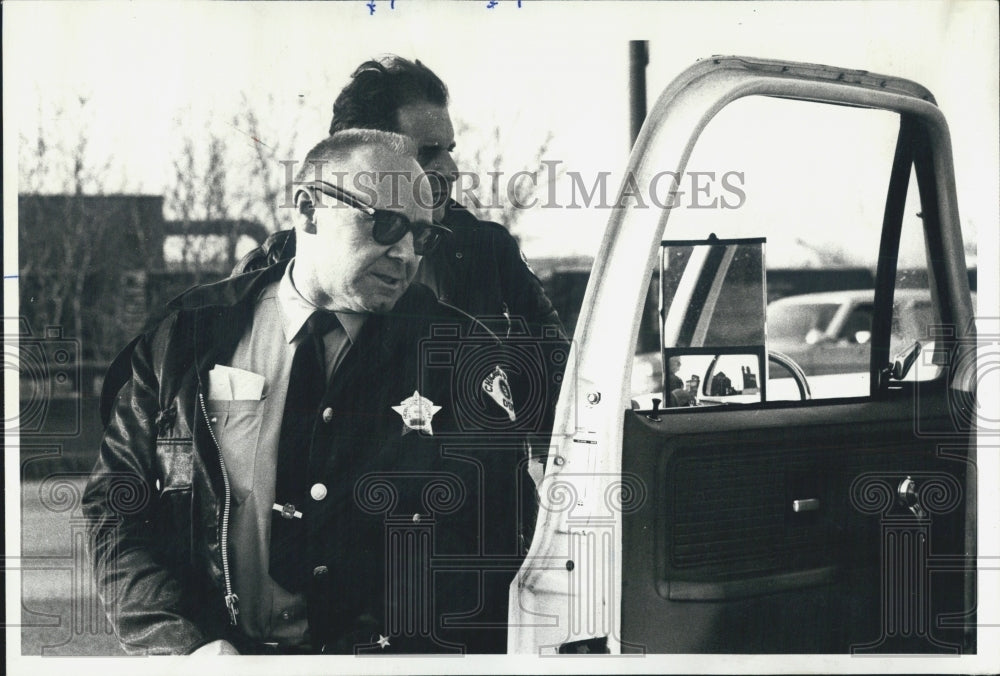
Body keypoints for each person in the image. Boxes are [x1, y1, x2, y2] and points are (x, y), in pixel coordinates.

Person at [84, 130, 554, 655]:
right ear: (308, 210)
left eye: (423, 237)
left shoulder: (460, 355)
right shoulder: (188, 337)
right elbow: (116, 505)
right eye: (386, 223)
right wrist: (184, 645)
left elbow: (504, 545)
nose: (404, 254)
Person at [234, 55, 563, 334]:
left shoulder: (487, 252)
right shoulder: (272, 266)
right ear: (359, 156)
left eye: (449, 149)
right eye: (427, 151)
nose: (452, 171)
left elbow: (557, 377)